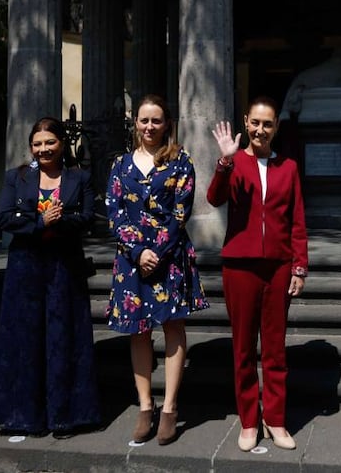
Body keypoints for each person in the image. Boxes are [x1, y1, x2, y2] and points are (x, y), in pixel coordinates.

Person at [105, 94, 208, 445]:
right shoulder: (120, 165)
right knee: (138, 331)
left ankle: (170, 407)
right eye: (144, 120)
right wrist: (138, 251)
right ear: (135, 122)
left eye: (156, 120)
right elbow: (115, 212)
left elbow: (181, 213)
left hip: (169, 257)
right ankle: (145, 406)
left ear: (167, 124)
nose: (150, 127)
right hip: (132, 261)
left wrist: (157, 252)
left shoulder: (181, 162)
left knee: (173, 326)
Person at [207, 95, 308, 452]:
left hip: (278, 266)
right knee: (244, 347)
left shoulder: (288, 167)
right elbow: (214, 198)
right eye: (255, 123)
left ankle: (275, 419)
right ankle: (249, 420)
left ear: (276, 127)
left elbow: (297, 220)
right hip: (240, 266)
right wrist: (224, 161)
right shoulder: (234, 162)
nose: (260, 130)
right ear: (246, 123)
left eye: (268, 124)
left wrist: (299, 266)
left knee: (275, 348)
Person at [0, 117, 102, 438]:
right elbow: (4, 218)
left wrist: (59, 221)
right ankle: (26, 417)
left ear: (62, 144)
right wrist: (40, 222)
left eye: (50, 142)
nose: (43, 149)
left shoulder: (79, 178)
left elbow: (87, 218)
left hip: (65, 267)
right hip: (25, 267)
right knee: (25, 339)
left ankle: (65, 417)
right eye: (37, 144)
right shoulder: (16, 177)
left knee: (64, 338)